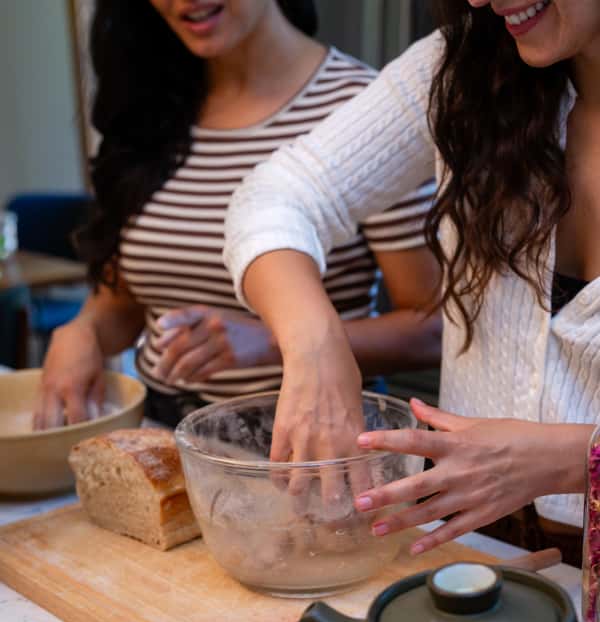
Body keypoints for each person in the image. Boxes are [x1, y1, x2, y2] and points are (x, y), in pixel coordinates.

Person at [222, 0, 600, 566]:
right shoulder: (465, 67)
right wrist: (316, 343)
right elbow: (279, 194)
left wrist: (571, 459)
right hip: (473, 548)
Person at [33, 0, 441, 432]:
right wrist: (84, 331)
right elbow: (125, 300)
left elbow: (431, 329)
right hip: (161, 432)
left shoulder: (367, 112)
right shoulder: (149, 108)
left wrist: (271, 340)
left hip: (303, 440)